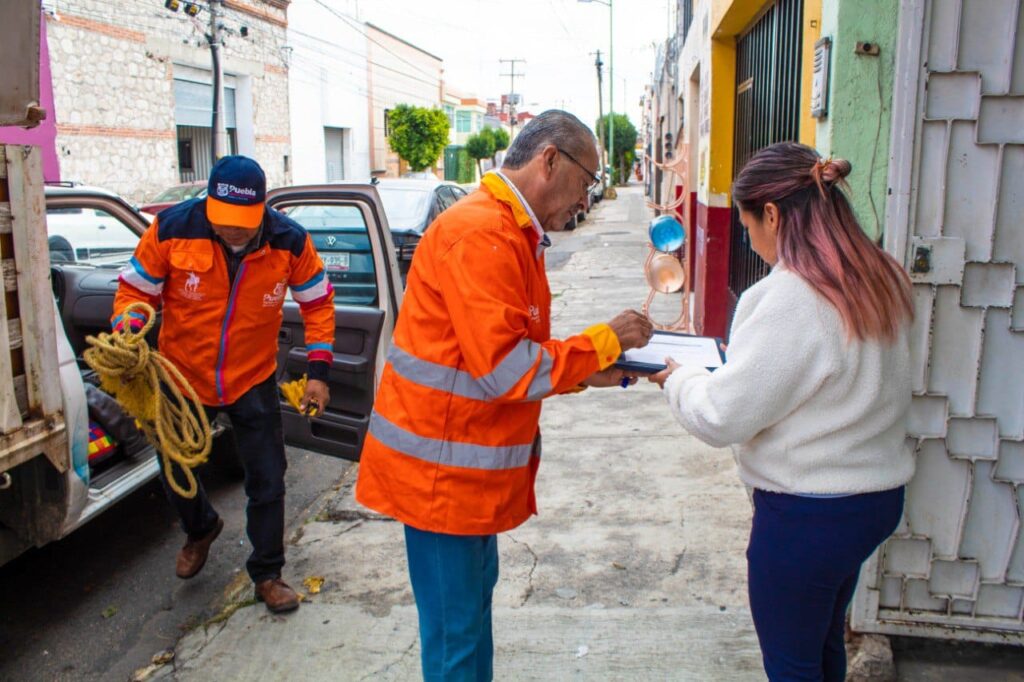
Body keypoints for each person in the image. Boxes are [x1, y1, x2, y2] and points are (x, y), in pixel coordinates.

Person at [355, 110, 654, 681]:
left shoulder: (509, 232)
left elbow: (516, 358)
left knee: (465, 628)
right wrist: (603, 341)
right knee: (457, 644)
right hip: (442, 480)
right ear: (549, 161)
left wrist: (601, 365)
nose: (585, 198)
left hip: (460, 474)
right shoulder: (483, 234)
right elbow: (506, 370)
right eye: (588, 181)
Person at [649, 141, 915, 681]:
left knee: (792, 666)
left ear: (771, 214)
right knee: (822, 645)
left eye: (748, 227)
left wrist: (679, 379)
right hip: (874, 503)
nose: (750, 240)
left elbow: (721, 417)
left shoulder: (790, 296)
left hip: (808, 517)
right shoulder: (884, 274)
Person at [112, 155, 334, 613]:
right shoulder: (172, 229)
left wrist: (319, 373)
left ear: (263, 209)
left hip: (252, 376)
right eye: (224, 221)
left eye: (243, 223)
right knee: (177, 472)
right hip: (182, 375)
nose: (233, 231)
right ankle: (200, 528)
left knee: (268, 479)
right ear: (208, 203)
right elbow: (135, 291)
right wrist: (130, 325)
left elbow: (318, 303)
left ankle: (268, 573)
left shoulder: (290, 241)